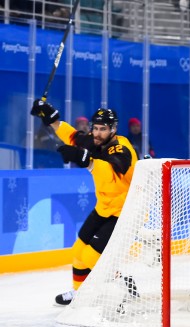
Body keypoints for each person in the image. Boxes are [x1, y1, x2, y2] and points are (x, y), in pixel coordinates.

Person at [30, 100, 138, 305]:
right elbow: (73, 137)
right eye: (95, 128)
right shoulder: (95, 141)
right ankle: (79, 293)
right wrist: (52, 119)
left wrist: (87, 161)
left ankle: (122, 283)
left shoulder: (120, 148)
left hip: (126, 210)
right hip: (105, 207)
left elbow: (111, 176)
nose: (97, 133)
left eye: (103, 129)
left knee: (90, 255)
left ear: (113, 129)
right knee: (78, 250)